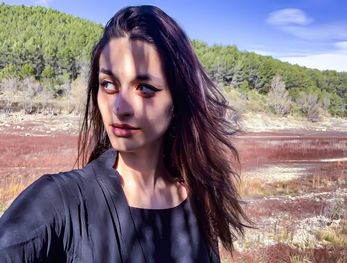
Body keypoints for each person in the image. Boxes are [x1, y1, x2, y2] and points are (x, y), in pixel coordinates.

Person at [0, 5, 249, 262]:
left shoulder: (198, 205)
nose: (119, 108)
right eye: (108, 85)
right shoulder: (58, 201)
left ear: (177, 100)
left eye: (144, 88)